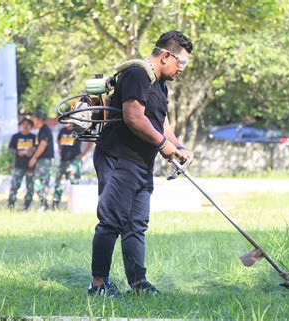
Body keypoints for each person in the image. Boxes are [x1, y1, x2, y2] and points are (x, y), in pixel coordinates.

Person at [88, 30, 193, 297]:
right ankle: (98, 285)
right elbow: (134, 117)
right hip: (117, 158)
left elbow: (161, 122)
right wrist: (163, 145)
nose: (182, 69)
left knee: (136, 224)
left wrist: (178, 147)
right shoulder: (137, 74)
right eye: (181, 63)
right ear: (166, 55)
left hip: (140, 163)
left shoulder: (159, 85)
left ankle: (138, 284)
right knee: (111, 221)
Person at [52, 123, 93, 210]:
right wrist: (60, 150)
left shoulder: (78, 130)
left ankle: (77, 205)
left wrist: (83, 154)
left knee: (75, 183)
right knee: (59, 183)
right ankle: (55, 204)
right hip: (63, 161)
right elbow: (58, 140)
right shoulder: (62, 130)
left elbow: (90, 141)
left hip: (74, 161)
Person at [7, 117, 36, 210]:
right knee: (14, 185)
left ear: (31, 126)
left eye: (27, 124)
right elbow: (10, 149)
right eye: (23, 124)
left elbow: (38, 148)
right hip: (18, 166)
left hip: (30, 166)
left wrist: (32, 150)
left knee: (30, 187)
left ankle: (27, 205)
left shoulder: (34, 137)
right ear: (20, 126)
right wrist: (17, 152)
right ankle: (11, 204)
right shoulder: (15, 137)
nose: (25, 126)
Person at [29, 108, 55, 211]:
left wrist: (34, 158)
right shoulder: (41, 130)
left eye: (33, 118)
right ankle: (43, 203)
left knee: (39, 181)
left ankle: (44, 204)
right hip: (43, 160)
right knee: (40, 181)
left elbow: (43, 144)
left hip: (44, 160)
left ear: (38, 119)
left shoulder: (44, 129)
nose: (32, 120)